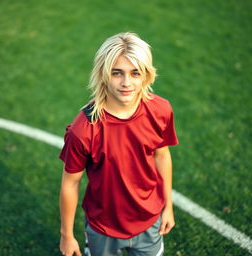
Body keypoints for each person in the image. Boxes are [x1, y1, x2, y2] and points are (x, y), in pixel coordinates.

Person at [59, 32, 179, 256]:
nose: (126, 83)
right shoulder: (84, 129)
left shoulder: (160, 110)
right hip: (102, 227)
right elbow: (70, 183)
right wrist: (67, 235)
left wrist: (168, 207)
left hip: (149, 219)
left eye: (135, 73)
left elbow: (162, 156)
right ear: (103, 74)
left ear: (146, 75)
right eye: (117, 73)